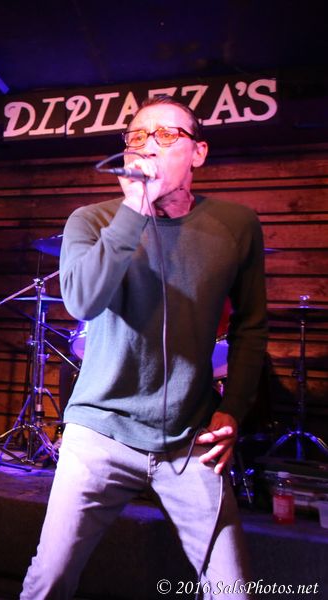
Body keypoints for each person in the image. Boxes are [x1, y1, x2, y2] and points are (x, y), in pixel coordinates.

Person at [20, 96, 267, 599]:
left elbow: (252, 326)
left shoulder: (237, 225)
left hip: (189, 439)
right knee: (50, 580)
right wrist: (134, 209)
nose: (148, 146)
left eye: (166, 135)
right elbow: (83, 300)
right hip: (100, 432)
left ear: (198, 153)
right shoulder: (91, 220)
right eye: (136, 137)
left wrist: (234, 409)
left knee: (233, 590)